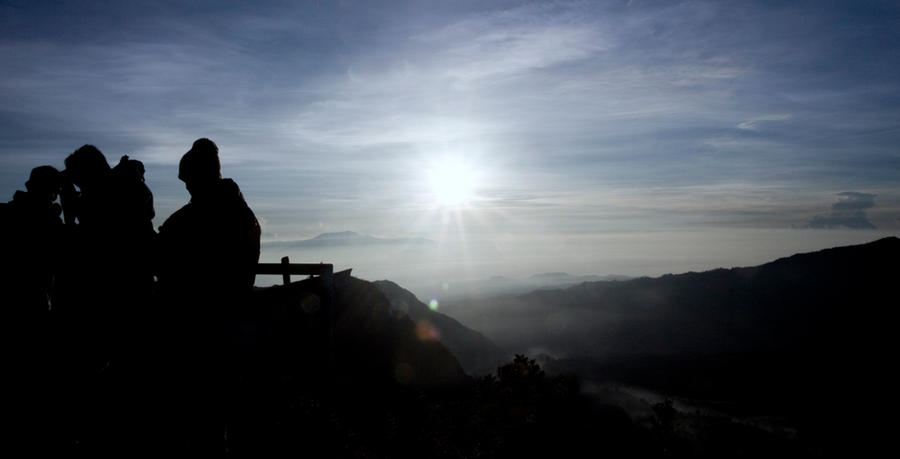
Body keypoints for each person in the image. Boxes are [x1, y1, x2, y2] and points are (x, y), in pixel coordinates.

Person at [156, 138, 260, 453]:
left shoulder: (209, 213)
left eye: (188, 180)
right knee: (213, 414)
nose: (186, 187)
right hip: (221, 324)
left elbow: (167, 253)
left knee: (204, 415)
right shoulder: (227, 209)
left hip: (206, 327)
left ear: (201, 175)